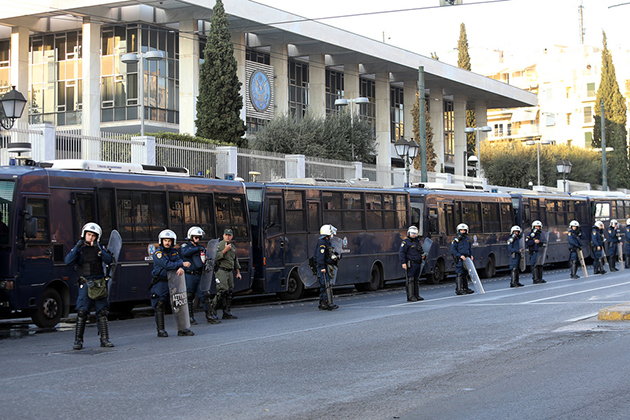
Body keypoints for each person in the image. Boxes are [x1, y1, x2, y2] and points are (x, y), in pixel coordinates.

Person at [65, 222, 114, 350]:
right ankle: (78, 341)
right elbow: (68, 261)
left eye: (93, 236)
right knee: (82, 312)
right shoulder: (79, 249)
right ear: (84, 235)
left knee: (102, 312)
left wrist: (99, 250)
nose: (91, 237)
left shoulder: (99, 248)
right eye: (89, 235)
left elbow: (109, 260)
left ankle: (105, 339)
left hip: (99, 283)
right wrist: (77, 247)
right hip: (86, 283)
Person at [150, 229, 194, 337]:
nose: (167, 242)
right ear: (161, 241)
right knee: (160, 304)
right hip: (161, 282)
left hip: (174, 280)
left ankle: (182, 328)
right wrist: (181, 264)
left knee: (179, 303)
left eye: (169, 240)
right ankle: (161, 330)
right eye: (165, 240)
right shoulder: (158, 253)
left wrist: (180, 267)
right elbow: (167, 264)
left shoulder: (174, 252)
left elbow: (177, 262)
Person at [180, 226, 219, 325]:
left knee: (204, 295)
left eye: (199, 237)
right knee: (189, 296)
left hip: (200, 274)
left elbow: (207, 257)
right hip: (190, 275)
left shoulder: (200, 248)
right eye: (195, 237)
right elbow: (185, 252)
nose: (197, 239)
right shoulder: (185, 246)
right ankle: (190, 317)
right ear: (191, 237)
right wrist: (198, 249)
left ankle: (210, 315)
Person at [211, 229, 242, 319]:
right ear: (223, 235)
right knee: (222, 291)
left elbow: (235, 260)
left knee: (229, 291)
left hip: (229, 271)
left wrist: (238, 273)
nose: (228, 237)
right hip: (221, 270)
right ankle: (212, 309)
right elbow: (215, 257)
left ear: (232, 237)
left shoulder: (233, 247)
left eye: (229, 235)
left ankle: (226, 312)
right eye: (226, 235)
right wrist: (225, 250)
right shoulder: (219, 245)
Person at [315, 224, 340, 310]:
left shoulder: (327, 242)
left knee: (325, 284)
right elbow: (320, 256)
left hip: (325, 266)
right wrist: (322, 267)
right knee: (326, 284)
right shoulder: (322, 243)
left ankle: (324, 303)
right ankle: (327, 303)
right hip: (323, 267)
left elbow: (327, 255)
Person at [399, 226, 425, 301]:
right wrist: (403, 263)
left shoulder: (417, 242)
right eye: (412, 233)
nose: (413, 235)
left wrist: (423, 256)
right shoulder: (406, 242)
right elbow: (402, 253)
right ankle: (410, 296)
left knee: (416, 280)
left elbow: (420, 252)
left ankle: (416, 295)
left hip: (418, 263)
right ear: (409, 233)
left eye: (415, 233)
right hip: (411, 263)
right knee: (410, 280)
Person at [451, 223, 474, 295]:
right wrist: (460, 256)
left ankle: (465, 288)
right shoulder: (456, 240)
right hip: (460, 259)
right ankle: (459, 289)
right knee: (459, 273)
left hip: (466, 258)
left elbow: (469, 248)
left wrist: (471, 255)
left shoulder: (467, 239)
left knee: (465, 273)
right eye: (461, 230)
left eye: (464, 230)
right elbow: (453, 250)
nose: (463, 231)